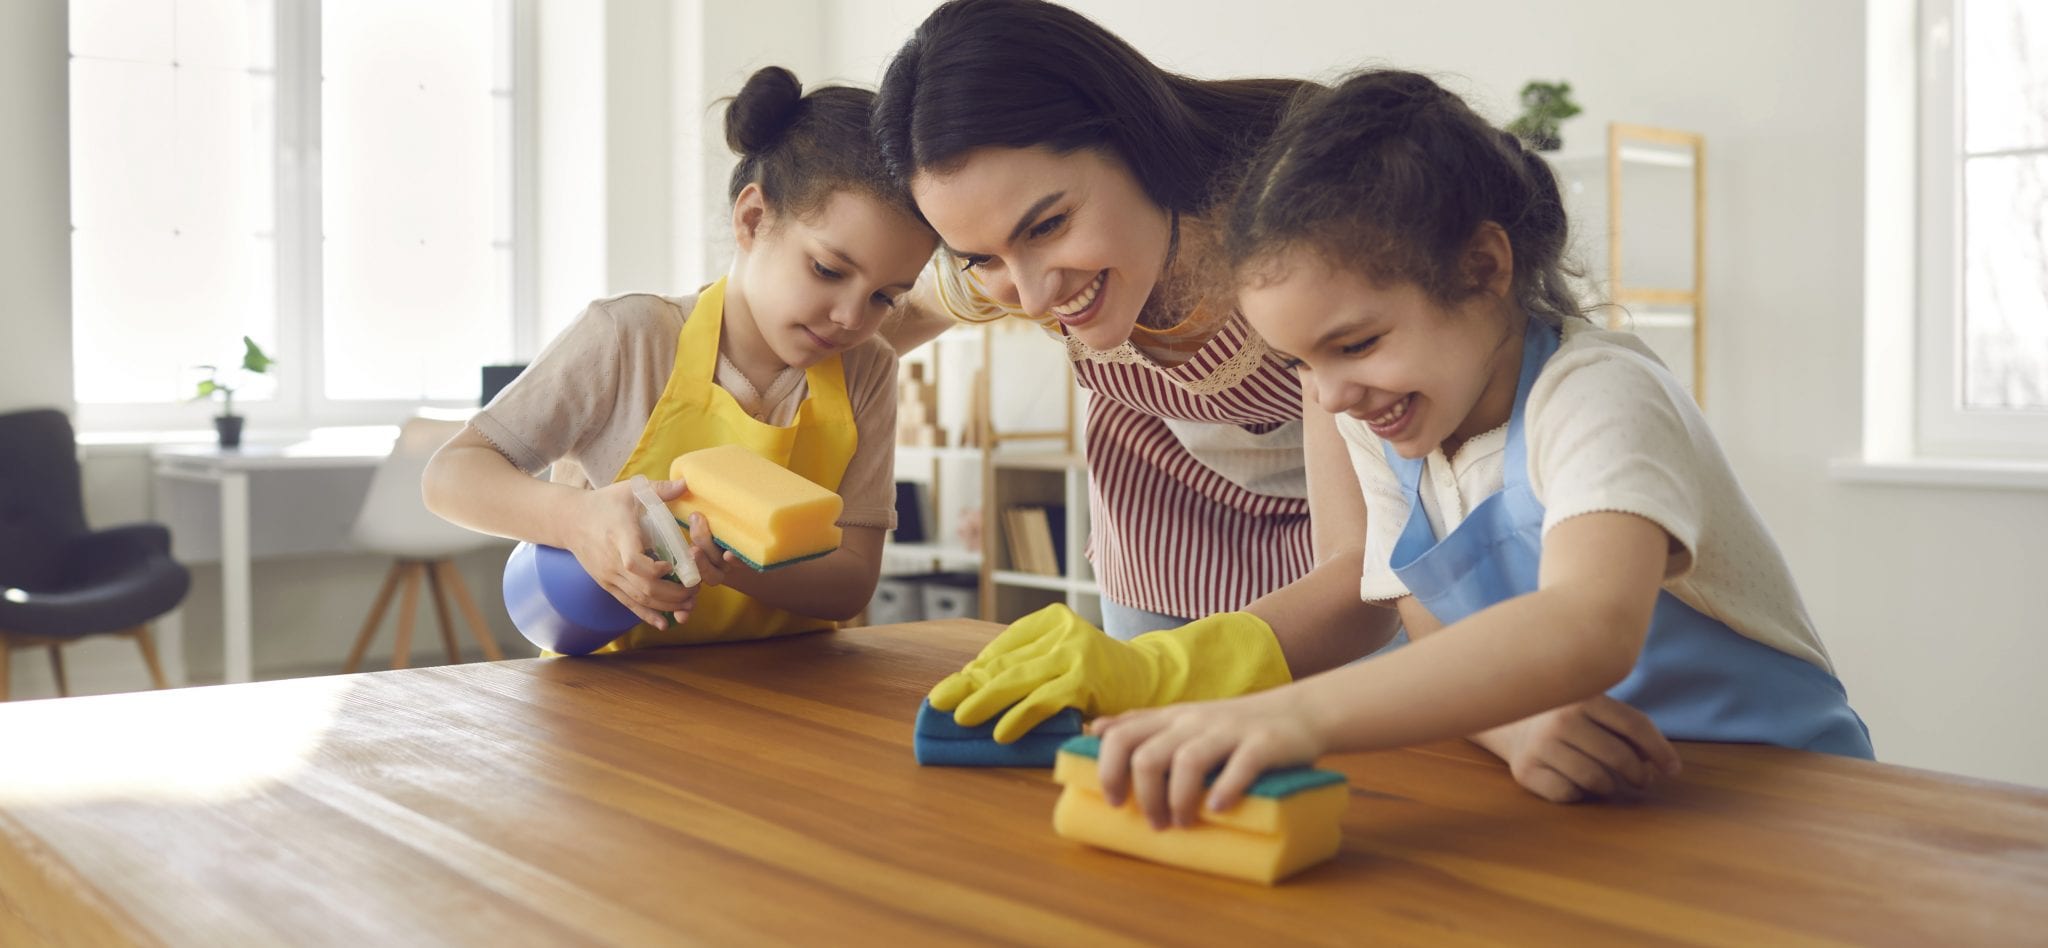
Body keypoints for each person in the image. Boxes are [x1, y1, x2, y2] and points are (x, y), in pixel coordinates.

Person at [928, 70, 1873, 820]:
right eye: (1303, 362)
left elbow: (1586, 625)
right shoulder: (1388, 424)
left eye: (1357, 343)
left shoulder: (1599, 395)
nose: (1333, 396)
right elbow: (1421, 613)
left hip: (1781, 801)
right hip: (1609, 804)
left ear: (1484, 266)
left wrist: (1283, 716)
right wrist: (1515, 728)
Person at [874, 0, 1374, 642]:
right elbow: (871, 328)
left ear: (1130, 137)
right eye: (981, 257)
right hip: (1161, 533)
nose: (1031, 299)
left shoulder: (1296, 215)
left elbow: (1355, 569)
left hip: (1344, 533)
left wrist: (1158, 676)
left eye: (1049, 226)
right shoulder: (1009, 270)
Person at [423, 67, 936, 651]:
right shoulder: (630, 338)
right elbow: (450, 476)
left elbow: (851, 584)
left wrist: (733, 562)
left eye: (884, 297)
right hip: (613, 696)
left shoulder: (866, 370)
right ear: (753, 219)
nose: (851, 317)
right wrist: (575, 519)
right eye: (827, 270)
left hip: (789, 696)